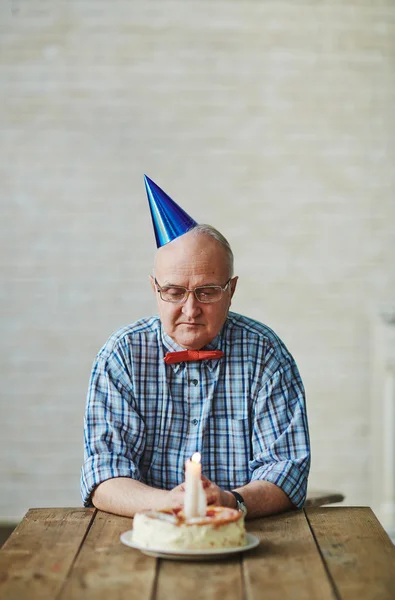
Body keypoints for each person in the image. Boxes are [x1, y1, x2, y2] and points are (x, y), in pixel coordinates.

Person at [80, 176, 310, 519]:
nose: (190, 310)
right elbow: (103, 475)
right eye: (174, 291)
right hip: (143, 534)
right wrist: (169, 504)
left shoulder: (266, 354)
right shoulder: (121, 356)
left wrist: (231, 501)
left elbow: (287, 471)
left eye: (207, 291)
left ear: (231, 290)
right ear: (154, 288)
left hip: (244, 532)